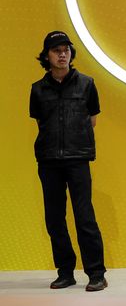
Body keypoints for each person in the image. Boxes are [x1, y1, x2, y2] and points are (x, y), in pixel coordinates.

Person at [29, 31, 107, 291]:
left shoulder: (87, 84)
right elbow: (41, 122)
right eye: (56, 50)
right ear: (47, 56)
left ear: (71, 54)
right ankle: (65, 272)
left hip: (78, 159)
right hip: (49, 161)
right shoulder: (37, 90)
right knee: (54, 219)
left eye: (66, 49)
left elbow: (92, 121)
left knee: (84, 216)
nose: (62, 54)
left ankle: (96, 273)